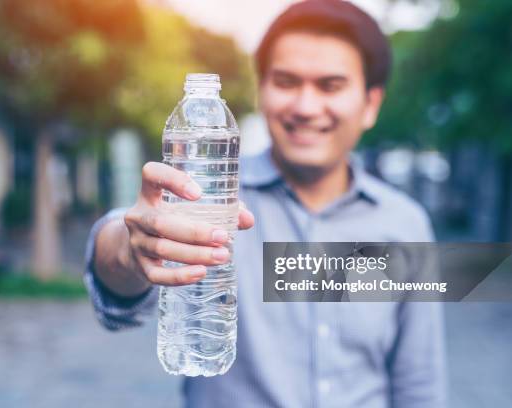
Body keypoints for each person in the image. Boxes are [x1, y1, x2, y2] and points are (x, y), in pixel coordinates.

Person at [84, 1, 447, 407]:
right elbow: (121, 262)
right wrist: (129, 253)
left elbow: (418, 383)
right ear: (262, 91)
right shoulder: (206, 195)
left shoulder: (404, 224)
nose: (306, 107)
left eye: (330, 85)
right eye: (287, 82)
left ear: (370, 105)